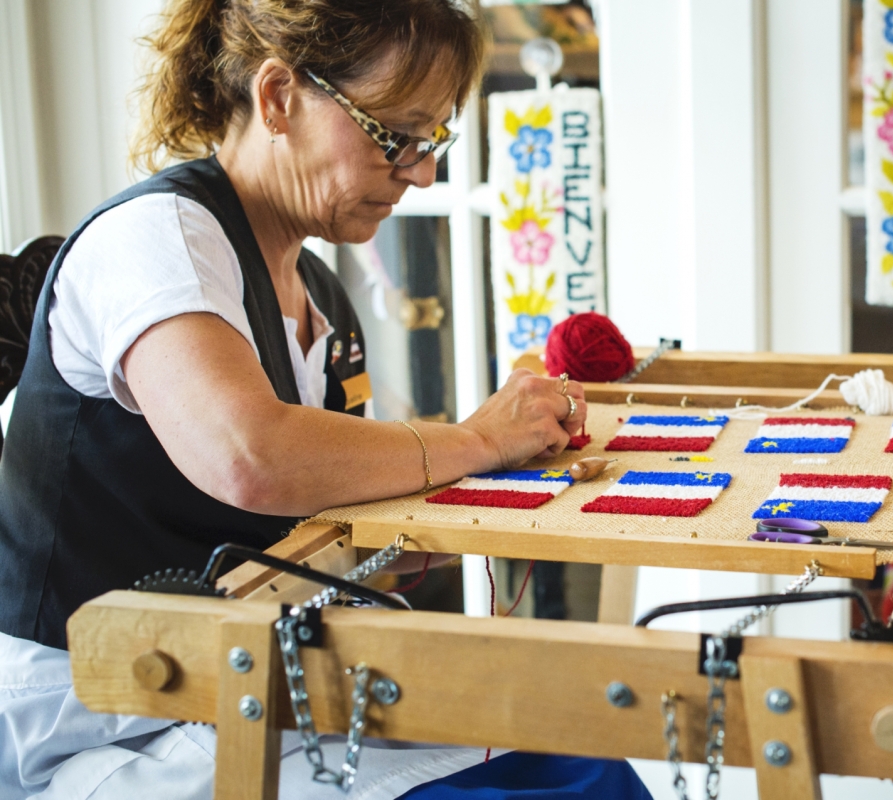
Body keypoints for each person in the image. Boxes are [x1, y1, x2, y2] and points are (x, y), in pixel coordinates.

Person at [0, 1, 650, 797]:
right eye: (396, 135)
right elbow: (248, 458)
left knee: (587, 763)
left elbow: (316, 520)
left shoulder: (321, 301)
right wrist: (478, 442)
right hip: (103, 709)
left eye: (433, 139)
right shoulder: (157, 239)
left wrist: (420, 531)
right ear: (278, 98)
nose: (423, 172)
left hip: (241, 672)